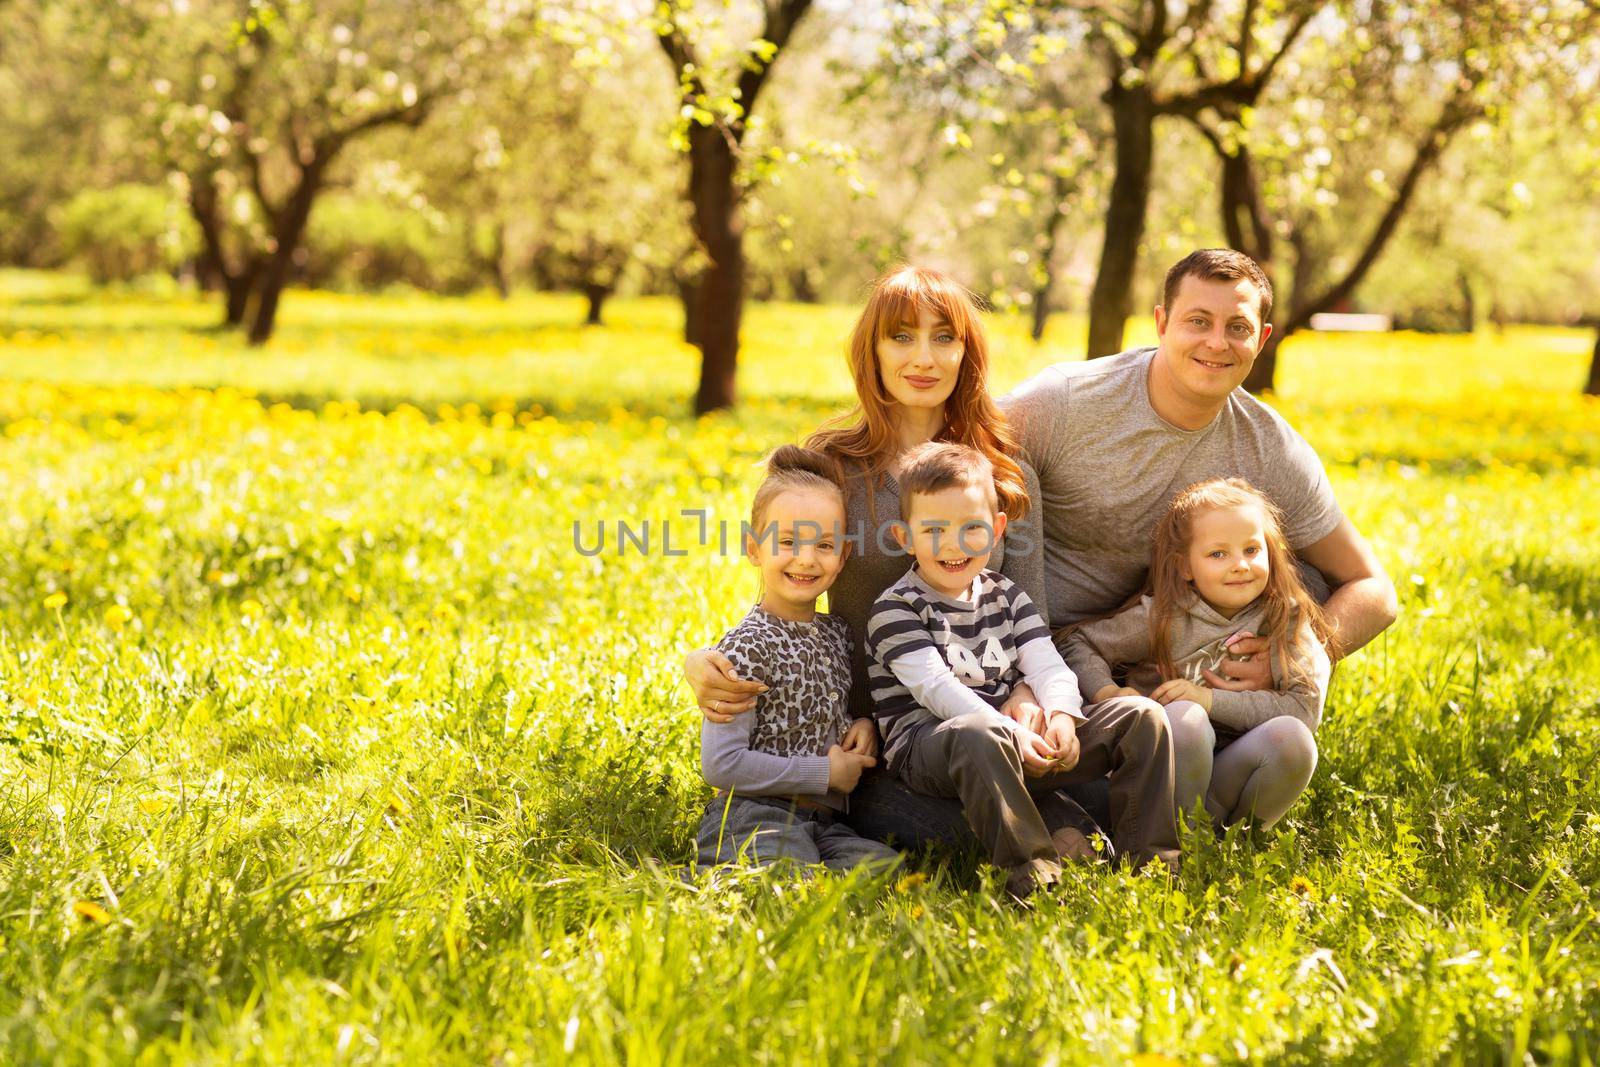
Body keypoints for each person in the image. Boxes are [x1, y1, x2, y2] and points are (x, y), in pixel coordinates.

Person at [685, 265, 1104, 853]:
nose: (924, 358)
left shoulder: (1003, 476)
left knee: (1080, 802)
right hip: (871, 734)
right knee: (955, 835)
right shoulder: (831, 465)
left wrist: (1030, 696)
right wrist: (704, 661)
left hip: (989, 716)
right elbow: (786, 579)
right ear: (872, 351)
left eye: (944, 337)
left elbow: (1029, 613)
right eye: (902, 336)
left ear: (967, 353)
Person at [1000, 248, 1398, 768]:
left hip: (1174, 667)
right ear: (1161, 322)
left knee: (1302, 583)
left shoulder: (1270, 448)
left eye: (1237, 326)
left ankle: (1195, 779)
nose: (1217, 342)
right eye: (1198, 321)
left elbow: (1375, 591)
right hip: (1047, 650)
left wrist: (1290, 655)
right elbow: (946, 473)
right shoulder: (1065, 402)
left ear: (1262, 338)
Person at [867, 443, 1180, 899]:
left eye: (971, 528)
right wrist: (1011, 734)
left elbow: (1048, 664)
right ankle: (1033, 879)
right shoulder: (895, 609)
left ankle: (1155, 869)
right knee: (977, 732)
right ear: (904, 537)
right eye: (933, 530)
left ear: (997, 529)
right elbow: (938, 691)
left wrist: (1061, 718)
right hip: (935, 748)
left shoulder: (1007, 595)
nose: (953, 545)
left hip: (1018, 736)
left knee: (1141, 717)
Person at [1060, 478, 1332, 829]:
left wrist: (1209, 699)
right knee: (1186, 717)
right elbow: (1076, 643)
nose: (1240, 565)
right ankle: (1174, 842)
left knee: (1295, 740)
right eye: (1218, 554)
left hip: (1233, 772)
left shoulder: (1286, 618)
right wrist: (1109, 692)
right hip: (1164, 778)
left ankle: (1232, 842)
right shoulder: (1164, 617)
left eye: (1252, 550)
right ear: (1185, 567)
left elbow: (1304, 712)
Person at [695, 445, 901, 873]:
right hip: (754, 812)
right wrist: (823, 775)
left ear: (843, 556)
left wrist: (859, 726)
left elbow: (828, 714)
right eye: (787, 541)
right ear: (754, 548)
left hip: (822, 822)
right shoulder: (747, 646)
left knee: (884, 870)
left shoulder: (837, 633)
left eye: (824, 545)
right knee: (786, 881)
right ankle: (710, 875)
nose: (806, 558)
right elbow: (721, 765)